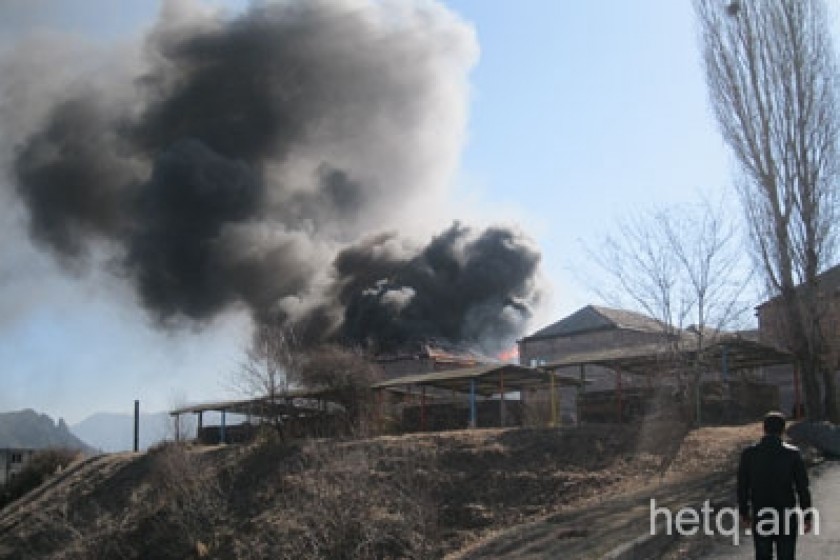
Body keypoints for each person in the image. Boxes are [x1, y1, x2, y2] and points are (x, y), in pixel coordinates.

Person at [738, 411, 812, 560]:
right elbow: (802, 487)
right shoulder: (792, 454)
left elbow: (743, 485)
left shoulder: (749, 454)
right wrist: (807, 514)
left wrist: (744, 512)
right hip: (786, 513)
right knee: (786, 554)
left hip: (761, 511)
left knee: (763, 554)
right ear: (783, 430)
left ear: (764, 429)